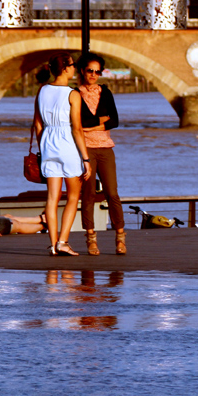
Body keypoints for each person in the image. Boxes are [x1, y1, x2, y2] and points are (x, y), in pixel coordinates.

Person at [33, 53, 92, 256]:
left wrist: (44, 147)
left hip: (48, 144)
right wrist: (86, 158)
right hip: (68, 146)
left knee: (52, 198)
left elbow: (37, 125)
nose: (74, 68)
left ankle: (52, 244)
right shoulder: (72, 94)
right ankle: (63, 242)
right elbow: (77, 129)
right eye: (73, 65)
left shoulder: (42, 91)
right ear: (66, 68)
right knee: (74, 195)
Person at [74, 51, 127, 256]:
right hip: (85, 150)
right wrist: (99, 122)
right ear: (82, 71)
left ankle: (120, 238)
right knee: (88, 195)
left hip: (106, 148)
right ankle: (91, 239)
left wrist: (89, 127)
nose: (94, 75)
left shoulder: (105, 92)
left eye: (98, 71)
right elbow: (79, 123)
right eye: (90, 71)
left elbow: (114, 121)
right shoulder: (75, 94)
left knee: (112, 193)